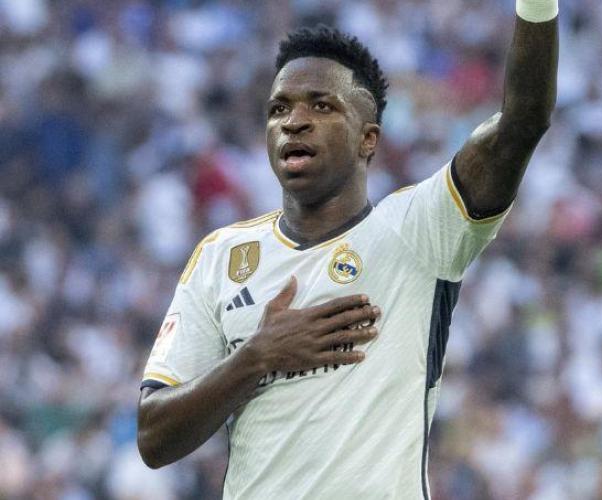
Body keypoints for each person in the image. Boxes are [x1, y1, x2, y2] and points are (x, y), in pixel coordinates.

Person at [137, 0, 558, 497]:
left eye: (322, 105)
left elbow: (522, 121)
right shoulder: (222, 256)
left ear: (368, 139)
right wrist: (255, 357)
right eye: (279, 108)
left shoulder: (418, 230)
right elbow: (154, 437)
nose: (293, 121)